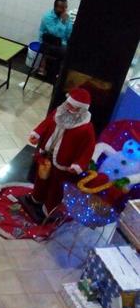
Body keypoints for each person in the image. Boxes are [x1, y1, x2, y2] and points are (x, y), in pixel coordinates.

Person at [22, 88, 96, 220]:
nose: (69, 110)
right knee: (41, 179)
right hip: (46, 155)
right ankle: (36, 198)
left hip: (64, 164)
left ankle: (47, 211)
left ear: (82, 110)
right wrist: (37, 134)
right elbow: (46, 124)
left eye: (75, 108)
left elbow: (88, 149)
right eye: (68, 105)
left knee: (55, 188)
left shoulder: (86, 128)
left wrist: (78, 165)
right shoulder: (58, 113)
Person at [37, 0, 73, 77]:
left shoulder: (65, 17)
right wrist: (63, 22)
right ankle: (59, 73)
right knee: (67, 52)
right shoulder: (47, 17)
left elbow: (68, 33)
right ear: (55, 7)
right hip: (47, 43)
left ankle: (58, 71)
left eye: (65, 7)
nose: (64, 10)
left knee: (72, 50)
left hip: (61, 43)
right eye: (62, 7)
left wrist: (67, 24)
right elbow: (55, 34)